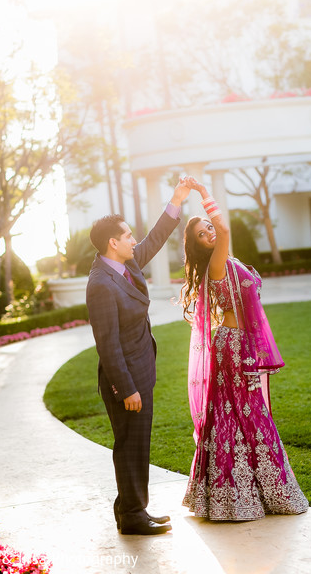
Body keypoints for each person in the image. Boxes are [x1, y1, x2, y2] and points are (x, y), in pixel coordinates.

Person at [180, 177, 309, 521]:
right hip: (234, 346)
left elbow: (221, 230)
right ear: (199, 246)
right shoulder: (218, 261)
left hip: (236, 342)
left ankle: (235, 495)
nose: (209, 232)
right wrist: (205, 194)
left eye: (208, 227)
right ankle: (241, 496)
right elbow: (224, 228)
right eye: (201, 234)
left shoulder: (226, 260)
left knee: (239, 411)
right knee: (247, 411)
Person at [86, 179, 190, 535]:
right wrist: (127, 388)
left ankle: (131, 509)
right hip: (125, 380)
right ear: (113, 243)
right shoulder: (101, 284)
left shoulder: (125, 265)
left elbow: (155, 239)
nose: (134, 240)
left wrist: (176, 200)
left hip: (141, 369)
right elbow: (108, 345)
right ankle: (132, 516)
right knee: (130, 446)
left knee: (136, 443)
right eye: (128, 235)